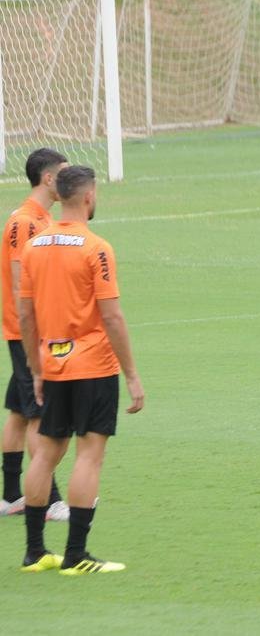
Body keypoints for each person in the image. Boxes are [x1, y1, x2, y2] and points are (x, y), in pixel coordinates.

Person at [17, 165, 145, 574]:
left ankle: (35, 552)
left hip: (51, 364)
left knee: (47, 452)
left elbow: (26, 314)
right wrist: (131, 375)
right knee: (89, 456)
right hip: (93, 364)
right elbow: (112, 318)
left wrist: (36, 368)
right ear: (88, 197)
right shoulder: (96, 247)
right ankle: (76, 555)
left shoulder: (35, 245)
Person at [1, 149, 69, 520]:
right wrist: (35, 335)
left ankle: (11, 494)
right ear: (47, 178)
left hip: (25, 332)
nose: (68, 179)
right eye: (63, 173)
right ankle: (48, 499)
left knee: (18, 412)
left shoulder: (39, 218)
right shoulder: (25, 222)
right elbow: (17, 284)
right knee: (38, 415)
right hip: (27, 334)